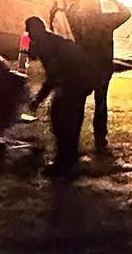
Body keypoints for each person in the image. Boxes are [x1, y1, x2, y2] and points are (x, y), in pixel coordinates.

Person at [23, 16, 103, 175]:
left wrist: (38, 99)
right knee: (66, 120)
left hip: (78, 79)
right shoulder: (48, 41)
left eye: (29, 33)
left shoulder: (46, 45)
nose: (28, 36)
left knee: (61, 120)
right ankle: (68, 159)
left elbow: (54, 76)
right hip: (80, 78)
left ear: (35, 31)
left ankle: (64, 163)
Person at [63, 0, 132, 155]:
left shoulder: (80, 21)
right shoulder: (106, 20)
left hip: (84, 67)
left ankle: (74, 137)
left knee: (79, 103)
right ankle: (100, 140)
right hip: (103, 68)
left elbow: (69, 12)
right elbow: (126, 13)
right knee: (100, 103)